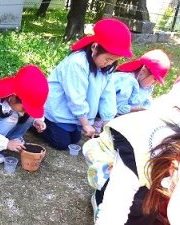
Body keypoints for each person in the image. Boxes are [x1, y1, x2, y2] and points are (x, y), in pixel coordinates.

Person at [82, 74, 180, 224]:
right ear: (174, 166)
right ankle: (100, 194)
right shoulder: (140, 146)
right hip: (108, 155)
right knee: (139, 208)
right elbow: (113, 214)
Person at [41, 18, 133, 150]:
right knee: (61, 143)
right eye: (108, 58)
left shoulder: (105, 69)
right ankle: (36, 121)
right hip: (57, 109)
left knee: (75, 139)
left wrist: (108, 128)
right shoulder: (77, 63)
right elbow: (75, 97)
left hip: (71, 114)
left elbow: (108, 96)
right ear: (94, 48)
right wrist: (85, 124)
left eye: (114, 60)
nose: (110, 63)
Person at [0, 65, 49, 164]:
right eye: (24, 108)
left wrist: (37, 120)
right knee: (11, 118)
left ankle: (13, 137)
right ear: (13, 96)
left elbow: (34, 108)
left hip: (4, 125)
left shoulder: (18, 99)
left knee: (29, 115)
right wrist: (6, 143)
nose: (25, 112)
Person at [113, 49, 171, 115]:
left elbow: (146, 98)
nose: (154, 83)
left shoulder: (145, 85)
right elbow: (116, 108)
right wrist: (137, 109)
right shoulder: (126, 82)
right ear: (143, 71)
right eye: (154, 79)